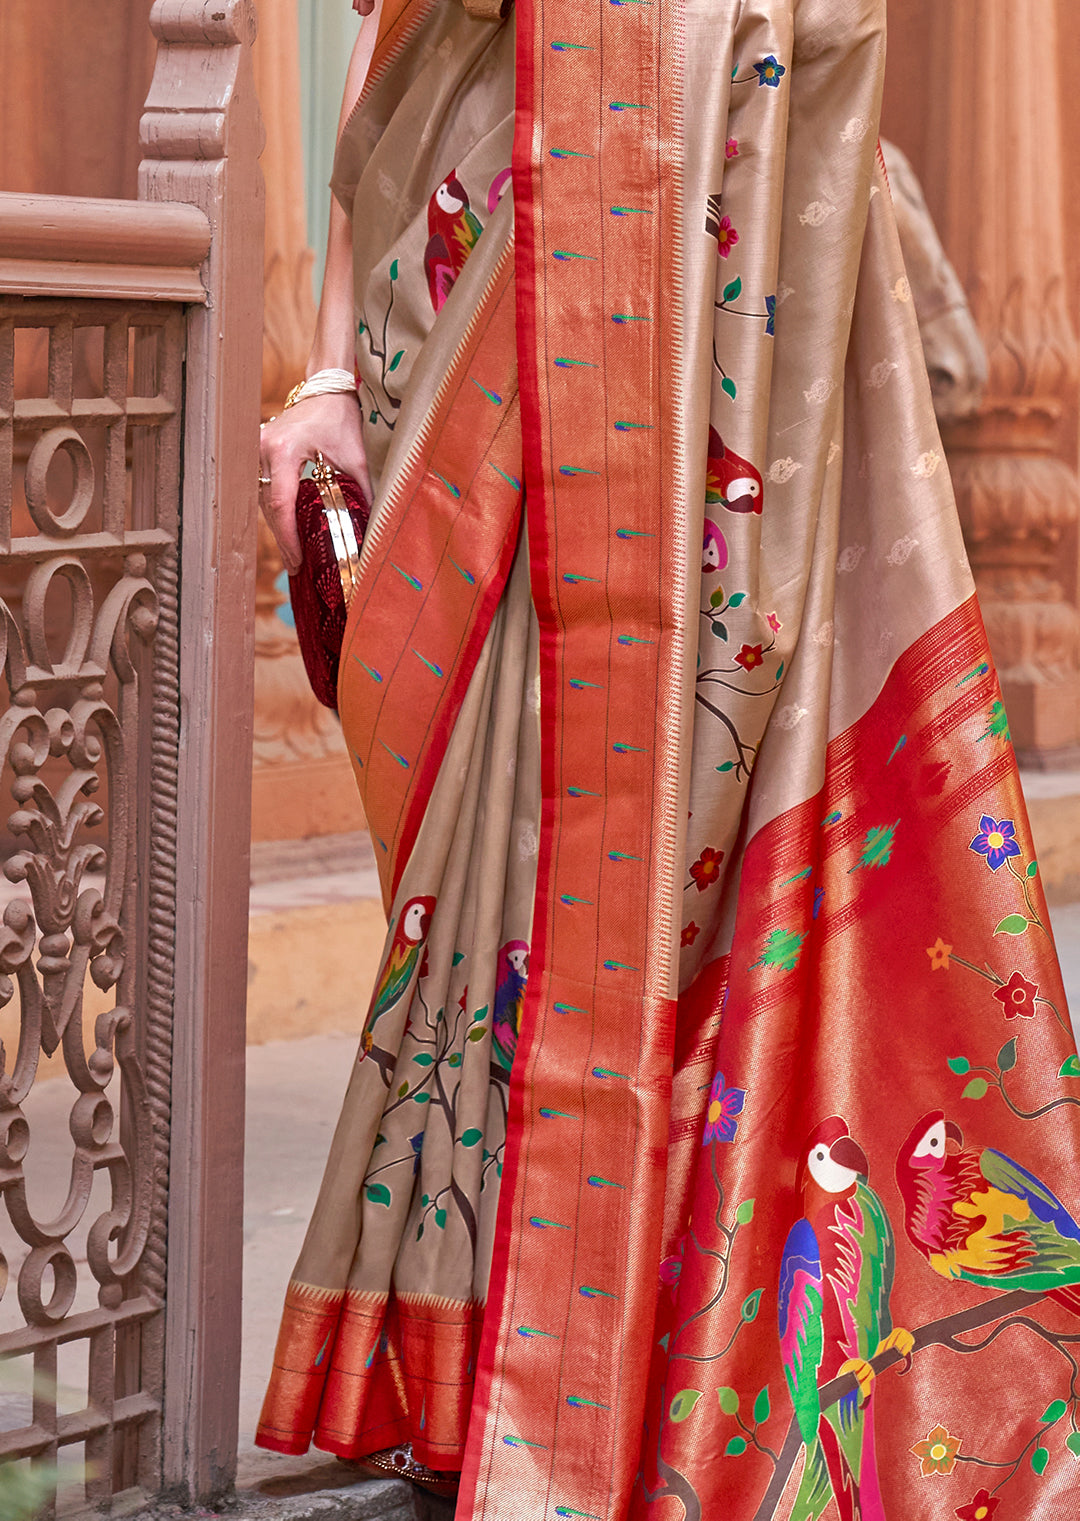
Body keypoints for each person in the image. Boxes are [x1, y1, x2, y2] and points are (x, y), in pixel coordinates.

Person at [256, 2, 1080, 1517]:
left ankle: (663, 1370)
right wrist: (323, 367)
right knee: (511, 820)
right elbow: (400, 49)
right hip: (506, 282)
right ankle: (508, 1350)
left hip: (743, 296)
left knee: (711, 819)